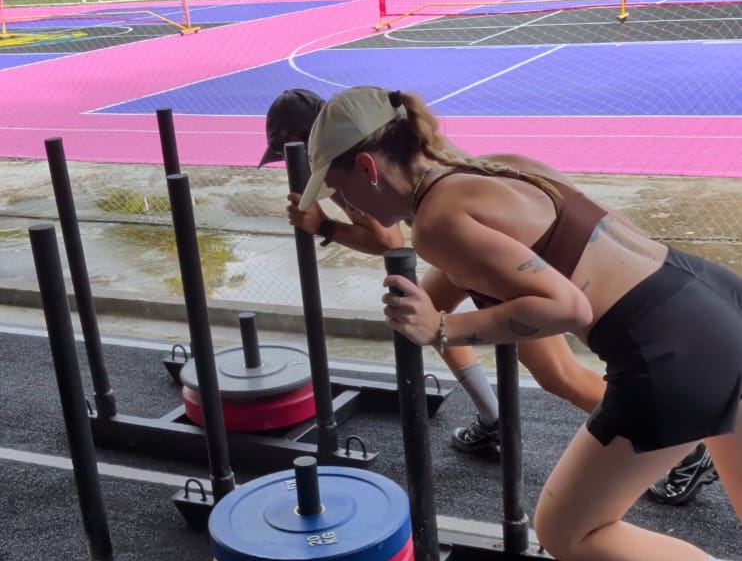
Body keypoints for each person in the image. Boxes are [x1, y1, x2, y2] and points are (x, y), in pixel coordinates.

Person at [296, 84, 742, 561]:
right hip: (713, 298)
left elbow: (568, 307)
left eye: (339, 191)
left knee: (567, 531)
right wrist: (426, 308)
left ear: (368, 167)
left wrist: (442, 328)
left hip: (669, 349)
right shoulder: (495, 168)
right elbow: (461, 275)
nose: (346, 205)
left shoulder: (437, 222)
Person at [260, 88, 715, 505]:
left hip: (485, 247)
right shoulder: (389, 134)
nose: (289, 165)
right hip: (476, 239)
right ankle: (493, 417)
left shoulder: (352, 172)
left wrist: (325, 225)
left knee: (554, 373)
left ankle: (686, 448)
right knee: (426, 312)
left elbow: (389, 242)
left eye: (287, 153)